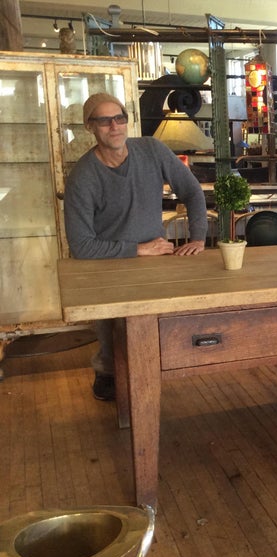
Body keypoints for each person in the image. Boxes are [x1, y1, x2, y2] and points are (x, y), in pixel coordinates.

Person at [64, 92, 209, 401]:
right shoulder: (83, 177)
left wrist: (198, 238)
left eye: (119, 118)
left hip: (155, 263)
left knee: (156, 329)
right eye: (103, 121)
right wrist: (139, 249)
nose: (114, 126)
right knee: (112, 332)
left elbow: (192, 192)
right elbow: (81, 246)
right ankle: (106, 371)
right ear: (90, 127)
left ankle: (151, 372)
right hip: (109, 265)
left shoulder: (152, 150)